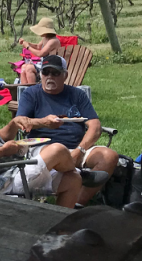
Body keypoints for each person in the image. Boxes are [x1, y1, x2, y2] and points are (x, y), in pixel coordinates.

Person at [0, 76, 105, 208]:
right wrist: (3, 151)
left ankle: (59, 229)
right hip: (3, 181)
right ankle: (81, 172)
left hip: (10, 172)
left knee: (73, 180)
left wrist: (14, 124)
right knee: (57, 149)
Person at [15, 54, 118, 204]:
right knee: (57, 150)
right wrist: (43, 122)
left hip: (77, 148)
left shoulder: (77, 95)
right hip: (45, 148)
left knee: (109, 156)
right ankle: (79, 175)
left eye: (55, 73)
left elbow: (95, 127)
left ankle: (77, 203)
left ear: (65, 75)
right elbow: (19, 122)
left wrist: (80, 150)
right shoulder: (31, 94)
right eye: (45, 72)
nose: (50, 77)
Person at [17, 17, 62, 85]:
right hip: (44, 63)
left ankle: (32, 89)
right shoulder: (45, 38)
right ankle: (24, 88)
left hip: (51, 65)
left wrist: (27, 47)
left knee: (29, 68)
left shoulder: (53, 41)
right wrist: (26, 43)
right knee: (24, 67)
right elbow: (38, 46)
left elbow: (40, 53)